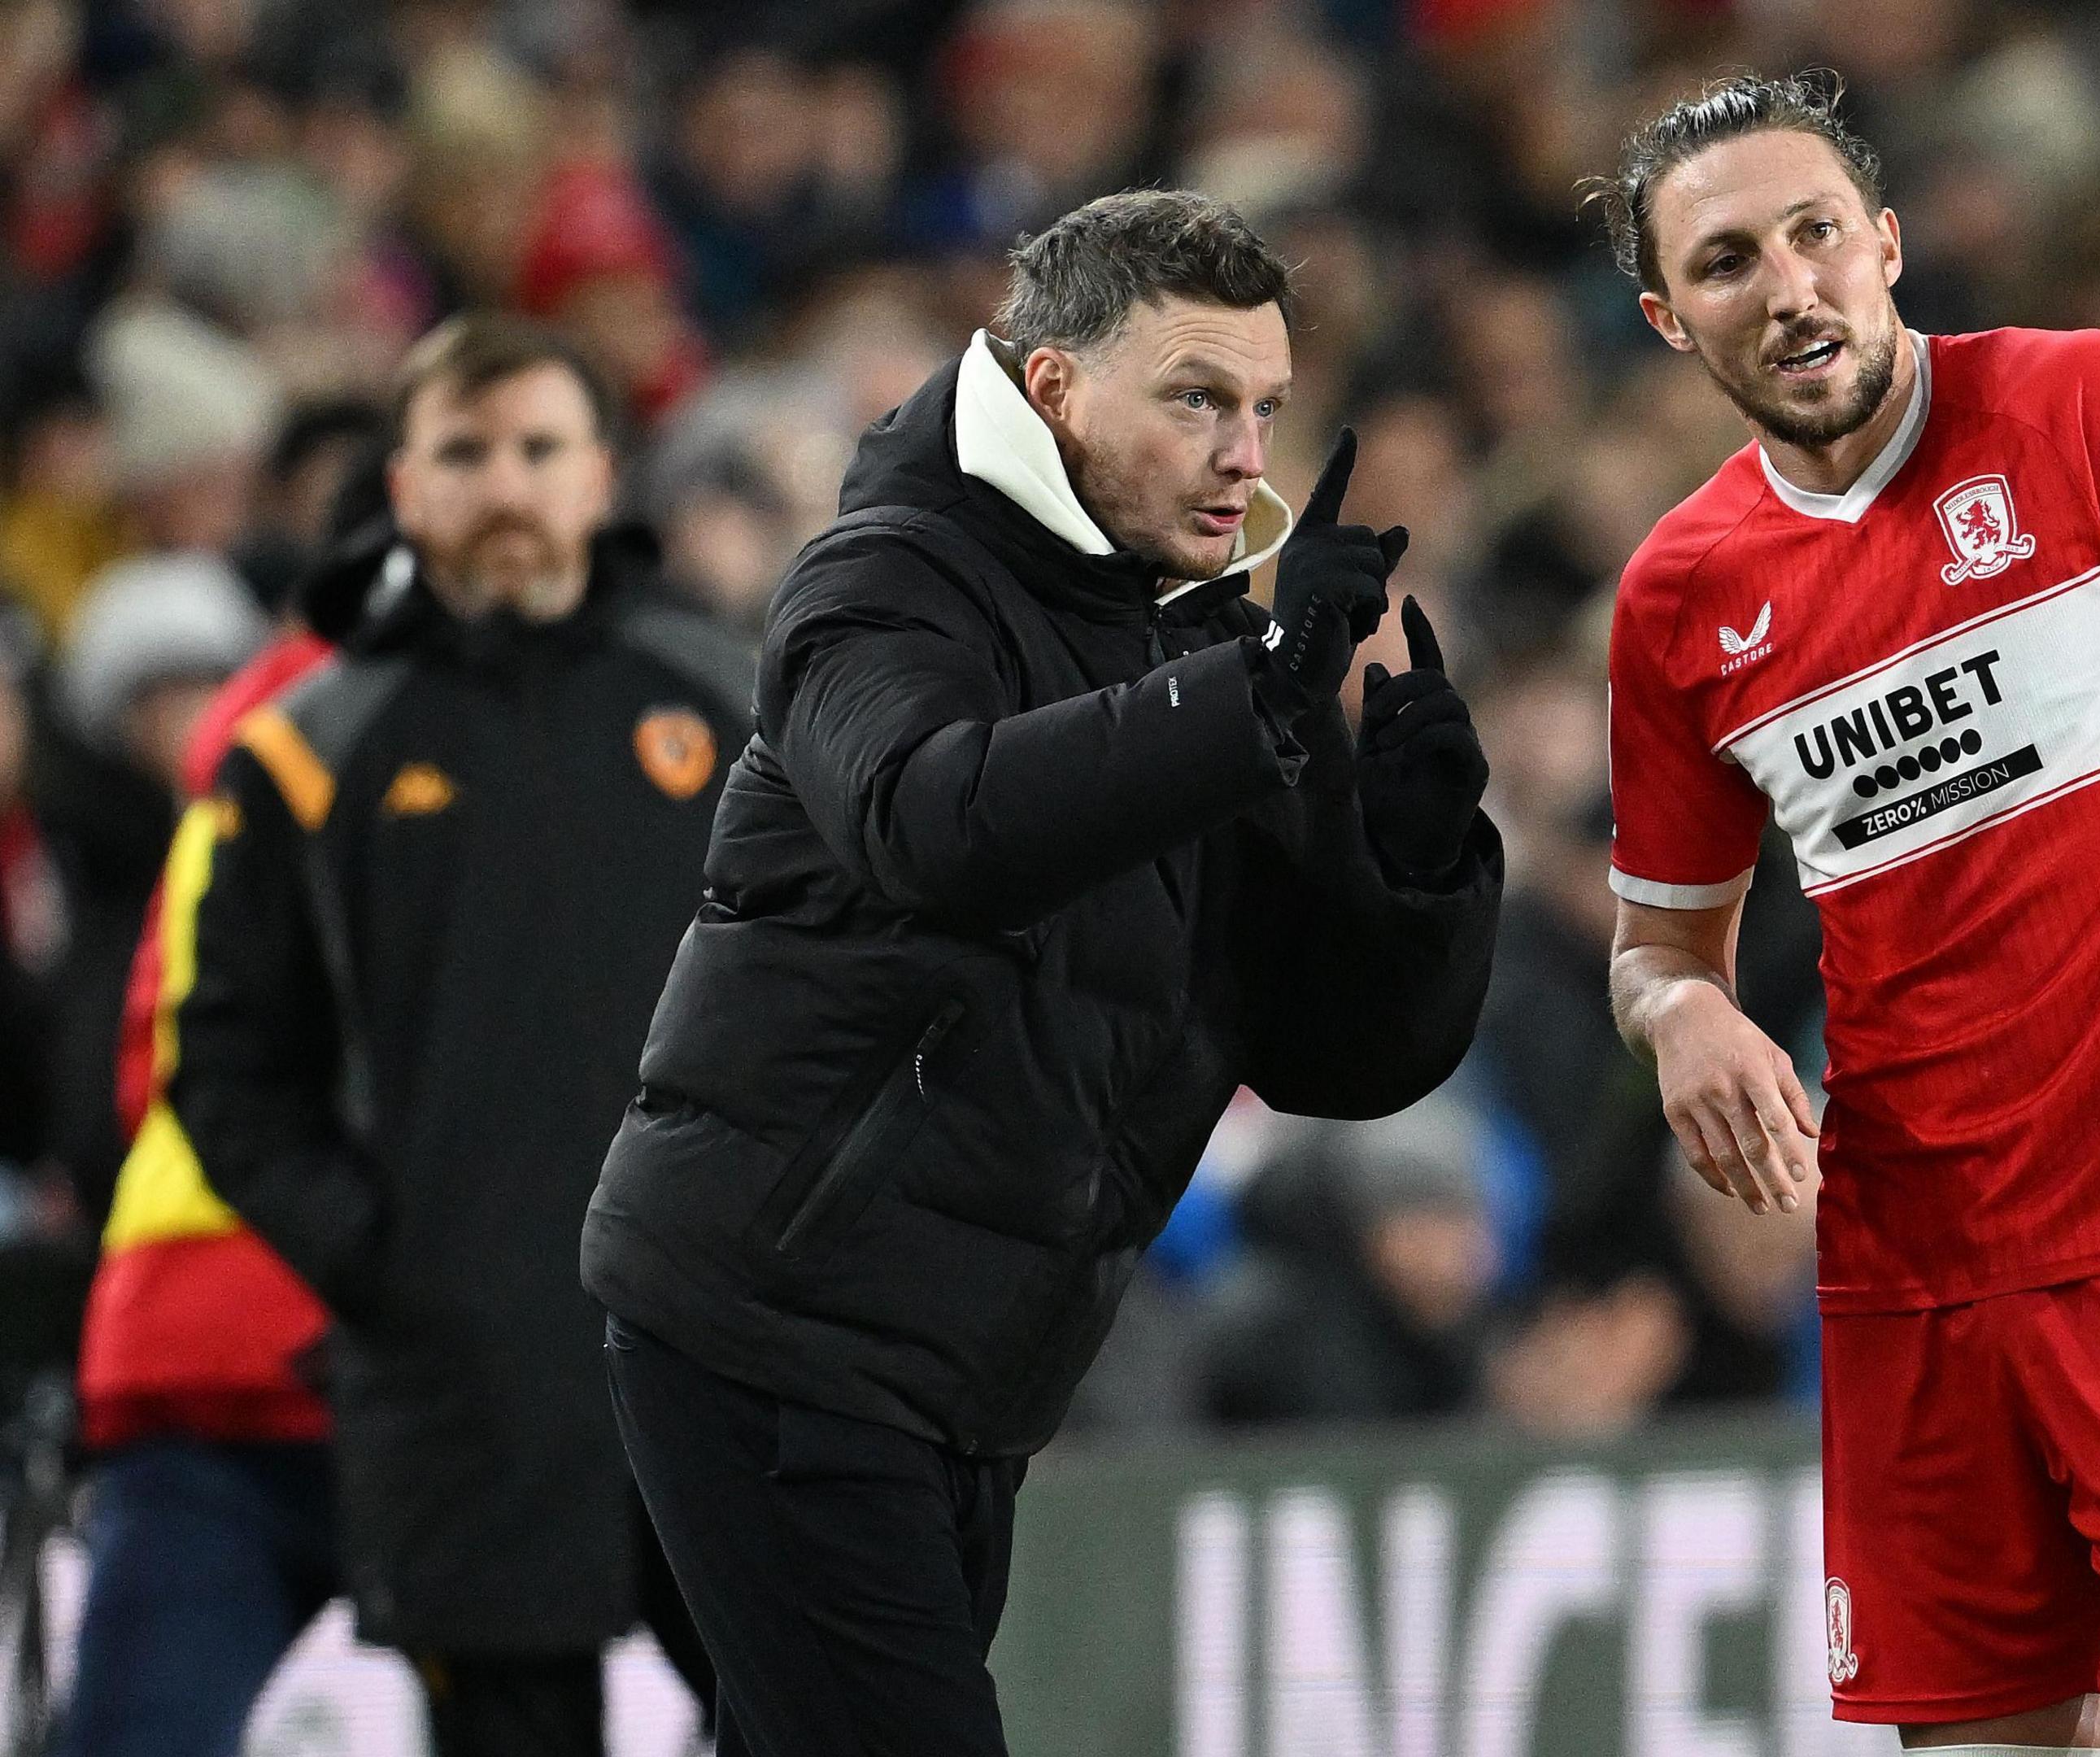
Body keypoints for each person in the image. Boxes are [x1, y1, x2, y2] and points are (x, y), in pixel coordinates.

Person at [582, 189, 1501, 1756]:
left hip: (968, 1376)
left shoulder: (1206, 652)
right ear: (1056, 387)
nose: (1246, 456)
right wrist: (1254, 699)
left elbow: (1331, 1057)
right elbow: (936, 822)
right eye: (1196, 399)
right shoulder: (884, 578)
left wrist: (1413, 870)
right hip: (775, 1325)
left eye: (1266, 408)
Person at [1594, 74, 2100, 1755]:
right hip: (1914, 1277)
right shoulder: (1680, 596)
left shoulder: (2080, 405)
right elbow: (1657, 948)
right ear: (1670, 320)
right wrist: (1684, 1017)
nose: (1791, 287)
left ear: (1888, 245)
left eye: (1818, 233)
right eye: (1730, 261)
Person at [168, 314, 738, 1756]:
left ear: (601, 475)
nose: (506, 486)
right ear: (405, 488)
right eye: (466, 453)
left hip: (734, 1354)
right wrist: (387, 1262)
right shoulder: (306, 748)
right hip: (467, 1387)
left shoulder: (736, 702)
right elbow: (225, 1067)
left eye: (540, 449)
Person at [60, 464, 348, 1757]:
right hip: (444, 1365)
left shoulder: (236, 768)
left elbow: (136, 1085)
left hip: (191, 1347)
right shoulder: (551, 743)